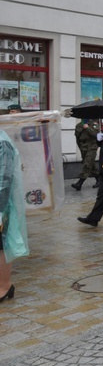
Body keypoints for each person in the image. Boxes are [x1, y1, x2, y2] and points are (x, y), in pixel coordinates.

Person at [0, 129, 28, 303]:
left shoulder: (3, 143)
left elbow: (5, 178)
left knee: (1, 246)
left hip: (2, 205)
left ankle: (4, 286)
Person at [72, 118, 100, 190]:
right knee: (91, 164)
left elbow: (95, 135)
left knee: (87, 164)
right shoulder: (78, 126)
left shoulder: (94, 124)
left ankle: (79, 183)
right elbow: (77, 139)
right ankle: (99, 180)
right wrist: (80, 149)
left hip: (92, 147)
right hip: (83, 147)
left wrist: (87, 128)